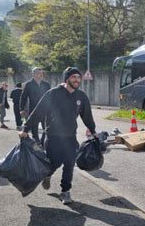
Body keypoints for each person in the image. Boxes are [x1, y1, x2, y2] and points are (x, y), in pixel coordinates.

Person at [19, 67, 97, 204]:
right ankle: (48, 174)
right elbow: (38, 112)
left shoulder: (81, 96)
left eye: (79, 77)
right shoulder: (53, 93)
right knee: (53, 162)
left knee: (69, 162)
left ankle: (65, 191)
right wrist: (26, 128)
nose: (77, 80)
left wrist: (93, 130)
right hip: (53, 136)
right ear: (67, 79)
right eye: (73, 77)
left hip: (70, 137)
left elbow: (87, 116)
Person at [20, 67, 51, 144]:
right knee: (34, 131)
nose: (41, 75)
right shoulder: (29, 84)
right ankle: (36, 145)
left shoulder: (46, 84)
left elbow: (51, 97)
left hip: (45, 110)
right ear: (34, 74)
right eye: (39, 73)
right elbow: (23, 97)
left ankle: (42, 143)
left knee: (47, 129)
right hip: (33, 110)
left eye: (42, 73)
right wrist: (21, 109)